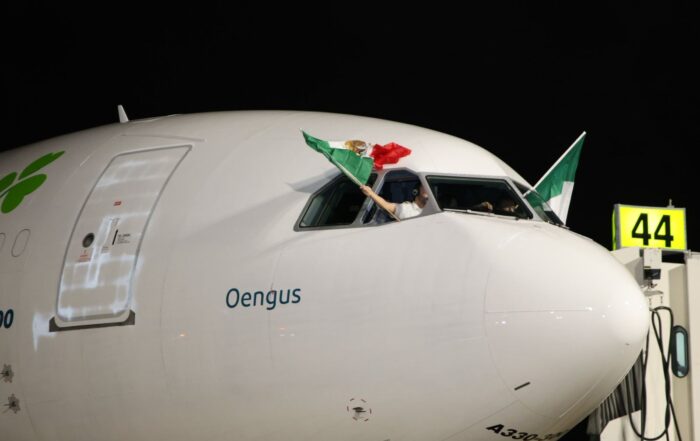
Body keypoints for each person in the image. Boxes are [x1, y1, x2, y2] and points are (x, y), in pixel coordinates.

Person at [359, 182, 429, 220]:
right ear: (416, 191)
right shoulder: (406, 208)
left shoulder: (430, 211)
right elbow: (386, 205)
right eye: (425, 186)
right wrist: (371, 193)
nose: (428, 189)